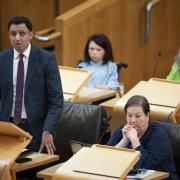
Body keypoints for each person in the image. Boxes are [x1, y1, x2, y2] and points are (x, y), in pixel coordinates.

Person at [0, 16, 64, 155]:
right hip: (7, 128)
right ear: (9, 36)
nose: (17, 38)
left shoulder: (46, 59)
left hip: (37, 129)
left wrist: (48, 130)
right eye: (13, 34)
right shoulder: (2, 59)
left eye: (22, 33)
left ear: (30, 35)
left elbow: (56, 100)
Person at [107, 95, 178, 179]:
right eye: (129, 115)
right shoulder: (121, 131)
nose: (133, 120)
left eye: (137, 116)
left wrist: (135, 141)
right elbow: (106, 159)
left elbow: (150, 167)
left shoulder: (157, 135)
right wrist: (124, 141)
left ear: (147, 116)